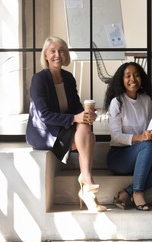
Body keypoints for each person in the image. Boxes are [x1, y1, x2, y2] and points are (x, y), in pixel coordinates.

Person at [26, 36, 106, 212]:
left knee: (87, 130)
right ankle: (86, 180)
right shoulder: (39, 79)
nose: (57, 55)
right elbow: (43, 115)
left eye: (61, 51)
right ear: (46, 55)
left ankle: (86, 184)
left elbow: (76, 107)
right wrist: (75, 118)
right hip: (46, 131)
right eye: (53, 51)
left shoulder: (68, 78)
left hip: (64, 128)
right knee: (89, 138)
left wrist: (86, 115)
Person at [103, 62, 152, 211]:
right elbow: (116, 137)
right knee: (148, 145)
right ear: (121, 80)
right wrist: (140, 137)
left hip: (140, 155)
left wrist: (150, 133)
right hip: (119, 157)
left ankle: (126, 192)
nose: (133, 79)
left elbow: (147, 128)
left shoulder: (146, 100)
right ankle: (138, 192)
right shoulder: (117, 102)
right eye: (128, 76)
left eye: (136, 75)